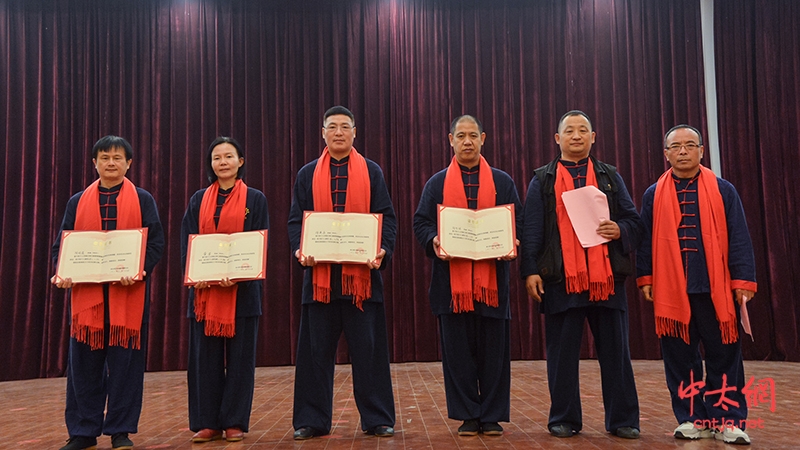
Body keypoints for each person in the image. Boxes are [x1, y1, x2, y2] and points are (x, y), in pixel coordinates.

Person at [520, 110, 642, 439]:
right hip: (561, 280)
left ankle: (623, 419)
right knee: (562, 355)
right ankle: (564, 417)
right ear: (557, 139)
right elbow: (531, 230)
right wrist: (530, 271)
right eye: (569, 131)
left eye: (583, 130)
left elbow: (634, 222)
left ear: (593, 137)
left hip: (606, 280)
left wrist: (620, 229)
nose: (576, 136)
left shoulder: (609, 177)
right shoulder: (542, 180)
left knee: (616, 352)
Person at [636, 125, 757, 445]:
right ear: (666, 154)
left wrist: (742, 280)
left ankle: (728, 420)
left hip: (715, 290)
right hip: (672, 291)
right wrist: (645, 277)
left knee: (723, 356)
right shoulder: (653, 194)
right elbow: (645, 241)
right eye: (676, 147)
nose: (683, 151)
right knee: (680, 358)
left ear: (702, 151)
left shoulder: (723, 190)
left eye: (691, 145)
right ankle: (692, 418)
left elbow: (740, 238)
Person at [288, 106, 397, 440]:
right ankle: (311, 419)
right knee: (313, 356)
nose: (338, 132)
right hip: (320, 282)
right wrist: (299, 249)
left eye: (344, 127)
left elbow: (387, 219)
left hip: (361, 281)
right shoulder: (307, 174)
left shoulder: (372, 171)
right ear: (322, 132)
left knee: (370, 354)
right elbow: (296, 221)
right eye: (331, 127)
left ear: (354, 132)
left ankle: (377, 418)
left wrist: (383, 250)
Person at [51, 135, 165, 450]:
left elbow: (155, 243)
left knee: (126, 366)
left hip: (127, 296)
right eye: (104, 157)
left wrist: (140, 271)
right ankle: (83, 432)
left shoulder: (143, 200)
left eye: (117, 157)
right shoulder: (77, 201)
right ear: (95, 163)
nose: (110, 163)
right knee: (83, 368)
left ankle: (121, 430)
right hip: (87, 300)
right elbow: (63, 245)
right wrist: (63, 273)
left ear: (129, 163)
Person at [412, 115, 521, 436]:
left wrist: (511, 240)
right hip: (450, 285)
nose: (468, 141)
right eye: (461, 136)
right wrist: (433, 239)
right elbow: (421, 223)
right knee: (458, 355)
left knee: (494, 354)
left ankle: (491, 416)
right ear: (451, 140)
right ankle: (467, 415)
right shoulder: (437, 183)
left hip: (493, 283)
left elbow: (519, 221)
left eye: (473, 135)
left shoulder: (503, 182)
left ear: (484, 138)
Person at [180, 137, 269, 443]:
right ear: (211, 164)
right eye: (217, 158)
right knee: (205, 361)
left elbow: (259, 242)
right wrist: (195, 274)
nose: (223, 162)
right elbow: (187, 242)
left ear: (240, 161)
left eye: (229, 156)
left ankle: (234, 422)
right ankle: (207, 422)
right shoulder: (197, 200)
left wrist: (239, 274)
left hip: (242, 294)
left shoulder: (256, 199)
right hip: (205, 294)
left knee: (241, 361)